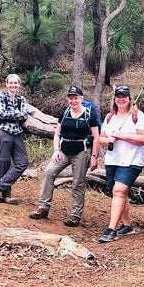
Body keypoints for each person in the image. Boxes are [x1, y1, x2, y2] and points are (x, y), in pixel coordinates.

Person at [29, 87, 101, 226]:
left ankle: (75, 215)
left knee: (78, 182)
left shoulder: (89, 115)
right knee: (49, 172)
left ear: (81, 98)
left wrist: (94, 156)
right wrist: (56, 150)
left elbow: (96, 137)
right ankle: (43, 208)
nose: (73, 101)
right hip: (64, 150)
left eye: (76, 98)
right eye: (71, 98)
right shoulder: (65, 113)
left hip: (81, 151)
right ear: (68, 99)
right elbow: (57, 133)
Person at [97, 85, 144, 243]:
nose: (121, 99)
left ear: (129, 99)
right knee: (120, 192)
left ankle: (111, 229)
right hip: (113, 160)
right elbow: (101, 137)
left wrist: (123, 136)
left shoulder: (137, 116)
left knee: (119, 191)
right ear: (114, 99)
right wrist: (107, 140)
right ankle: (127, 226)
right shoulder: (109, 117)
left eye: (124, 96)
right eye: (118, 96)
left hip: (132, 161)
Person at [0, 73, 30, 205]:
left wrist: (14, 114)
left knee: (22, 161)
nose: (13, 85)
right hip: (4, 132)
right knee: (3, 162)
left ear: (19, 85)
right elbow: (1, 113)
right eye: (11, 83)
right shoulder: (1, 96)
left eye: (15, 83)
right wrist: (16, 113)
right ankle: (5, 195)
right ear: (7, 84)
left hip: (17, 133)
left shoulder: (21, 99)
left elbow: (24, 115)